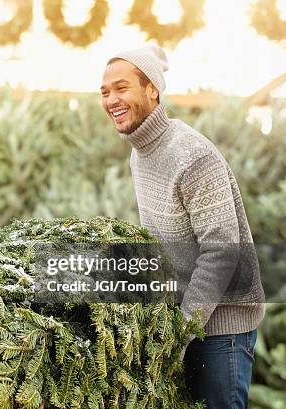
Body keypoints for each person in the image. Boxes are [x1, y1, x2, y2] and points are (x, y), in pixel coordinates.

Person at [100, 45, 264, 408]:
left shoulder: (191, 154)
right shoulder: (141, 153)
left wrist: (181, 329)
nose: (111, 99)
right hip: (184, 320)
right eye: (105, 91)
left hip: (222, 328)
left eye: (122, 87)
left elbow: (222, 251)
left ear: (152, 90)